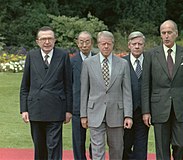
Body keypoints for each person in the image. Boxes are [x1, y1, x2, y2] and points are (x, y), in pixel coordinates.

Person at [141, 20, 183, 160]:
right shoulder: (150, 55)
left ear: (176, 34)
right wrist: (146, 111)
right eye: (163, 33)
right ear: (160, 34)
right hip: (159, 107)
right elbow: (145, 85)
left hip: (180, 106)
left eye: (169, 32)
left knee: (181, 144)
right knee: (162, 147)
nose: (166, 36)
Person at [20, 26, 73, 160]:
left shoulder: (63, 55)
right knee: (39, 147)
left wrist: (68, 110)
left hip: (56, 109)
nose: (47, 42)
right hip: (36, 109)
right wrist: (24, 109)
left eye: (50, 38)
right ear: (37, 41)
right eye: (43, 39)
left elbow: (68, 86)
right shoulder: (31, 56)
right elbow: (25, 86)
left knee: (53, 146)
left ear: (55, 40)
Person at [80, 31, 133, 160]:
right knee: (97, 149)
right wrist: (83, 115)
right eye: (103, 44)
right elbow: (84, 91)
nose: (106, 47)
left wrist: (128, 115)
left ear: (113, 45)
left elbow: (126, 91)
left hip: (116, 113)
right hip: (94, 112)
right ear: (98, 44)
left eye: (108, 44)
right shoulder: (88, 63)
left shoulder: (123, 64)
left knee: (117, 148)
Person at [122, 31, 150, 160]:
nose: (137, 46)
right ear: (129, 45)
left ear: (144, 45)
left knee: (141, 146)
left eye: (140, 44)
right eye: (134, 44)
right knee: (125, 145)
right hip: (125, 112)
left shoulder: (151, 62)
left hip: (144, 113)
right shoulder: (121, 63)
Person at [70, 31, 94, 160]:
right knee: (78, 141)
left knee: (96, 139)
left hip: (96, 106)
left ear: (92, 43)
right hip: (77, 107)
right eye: (81, 42)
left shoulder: (99, 58)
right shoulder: (71, 61)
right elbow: (68, 85)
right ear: (77, 43)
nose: (84, 45)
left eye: (87, 41)